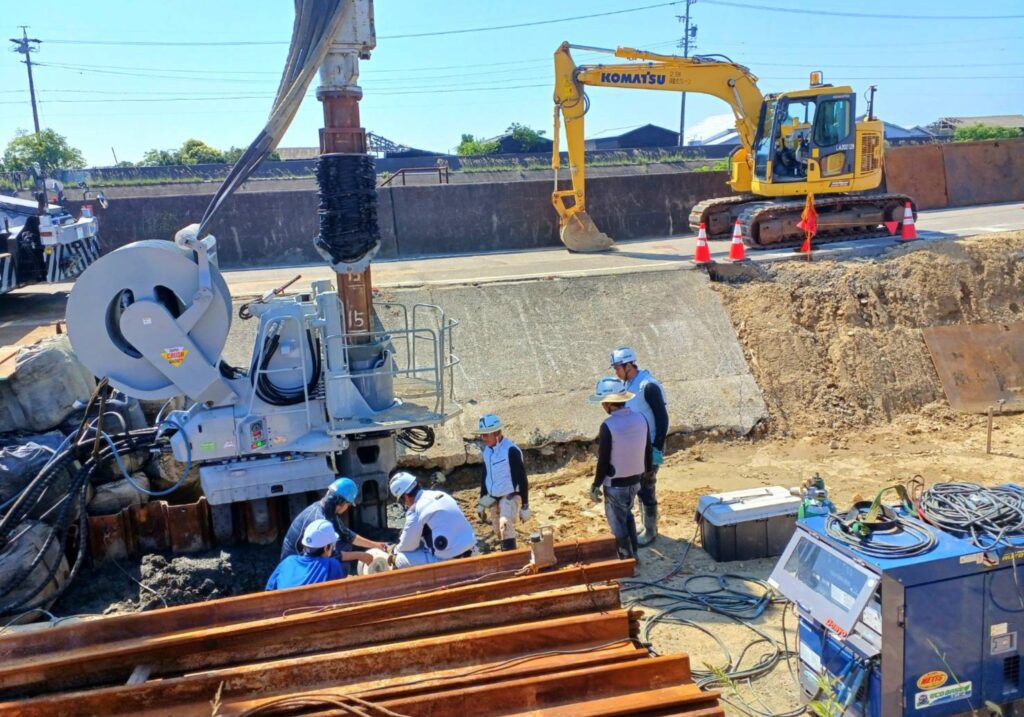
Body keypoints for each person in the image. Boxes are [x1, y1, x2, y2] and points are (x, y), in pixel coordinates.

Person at [610, 346, 668, 547]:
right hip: (636, 446)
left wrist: (657, 449)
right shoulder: (628, 384)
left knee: (647, 486)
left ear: (628, 365)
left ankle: (651, 531)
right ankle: (646, 525)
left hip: (649, 446)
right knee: (639, 485)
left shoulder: (648, 386)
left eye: (617, 367)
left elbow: (662, 419)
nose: (616, 371)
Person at [588, 377, 651, 560]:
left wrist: (596, 484)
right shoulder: (641, 418)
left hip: (615, 484)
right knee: (628, 515)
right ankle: (635, 554)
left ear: (608, 403)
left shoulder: (608, 426)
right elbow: (647, 449)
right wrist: (646, 474)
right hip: (635, 481)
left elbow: (604, 460)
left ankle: (625, 558)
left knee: (617, 523)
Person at [281, 477, 385, 569]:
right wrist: (360, 555)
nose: (347, 508)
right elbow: (326, 555)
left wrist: (376, 545)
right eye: (348, 505)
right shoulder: (319, 521)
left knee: (344, 545)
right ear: (342, 503)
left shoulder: (326, 510)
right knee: (334, 562)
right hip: (296, 565)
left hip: (305, 556)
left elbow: (346, 535)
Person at [389, 471, 477, 568]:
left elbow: (408, 546)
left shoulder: (415, 510)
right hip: (472, 551)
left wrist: (394, 549)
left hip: (449, 562)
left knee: (400, 558)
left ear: (405, 497)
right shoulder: (441, 494)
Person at [474, 414, 531, 551]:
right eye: (482, 435)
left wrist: (525, 506)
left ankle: (510, 558)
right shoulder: (487, 451)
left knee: (504, 524)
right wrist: (482, 503)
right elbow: (485, 477)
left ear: (497, 432)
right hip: (493, 496)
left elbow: (522, 478)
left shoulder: (511, 451)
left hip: (510, 494)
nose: (484, 438)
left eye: (486, 435)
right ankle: (506, 549)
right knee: (497, 529)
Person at [265, 519, 345, 590]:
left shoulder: (288, 561)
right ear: (326, 547)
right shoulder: (332, 564)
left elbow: (269, 589)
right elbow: (339, 593)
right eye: (332, 545)